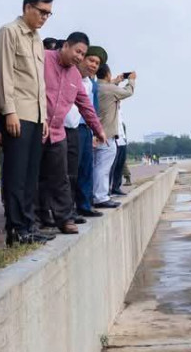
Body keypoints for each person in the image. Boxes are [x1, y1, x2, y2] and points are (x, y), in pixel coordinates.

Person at [0, 0, 53, 246]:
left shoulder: (36, 39)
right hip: (17, 114)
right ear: (27, 7)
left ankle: (28, 225)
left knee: (30, 175)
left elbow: (39, 83)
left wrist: (43, 117)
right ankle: (15, 229)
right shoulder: (9, 32)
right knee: (15, 175)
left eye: (48, 14)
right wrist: (9, 112)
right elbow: (3, 75)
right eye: (41, 11)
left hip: (35, 115)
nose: (44, 17)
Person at [39, 33, 107, 233]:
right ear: (66, 46)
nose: (79, 57)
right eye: (78, 51)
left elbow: (85, 105)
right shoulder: (43, 58)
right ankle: (39, 218)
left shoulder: (75, 76)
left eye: (83, 54)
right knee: (35, 177)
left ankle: (65, 218)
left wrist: (98, 129)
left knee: (61, 177)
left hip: (58, 131)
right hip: (37, 127)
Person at [93, 65, 136, 208]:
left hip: (94, 133)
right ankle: (101, 197)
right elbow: (128, 92)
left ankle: (95, 195)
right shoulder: (110, 89)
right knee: (103, 168)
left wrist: (116, 81)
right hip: (107, 134)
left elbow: (107, 88)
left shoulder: (94, 87)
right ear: (107, 74)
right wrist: (131, 80)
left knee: (95, 167)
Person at [74, 47, 106, 218]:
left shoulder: (91, 84)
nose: (93, 65)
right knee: (73, 170)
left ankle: (84, 205)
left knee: (86, 169)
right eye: (91, 60)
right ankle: (69, 209)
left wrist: (95, 131)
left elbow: (93, 109)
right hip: (72, 127)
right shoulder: (71, 76)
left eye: (97, 63)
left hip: (86, 129)